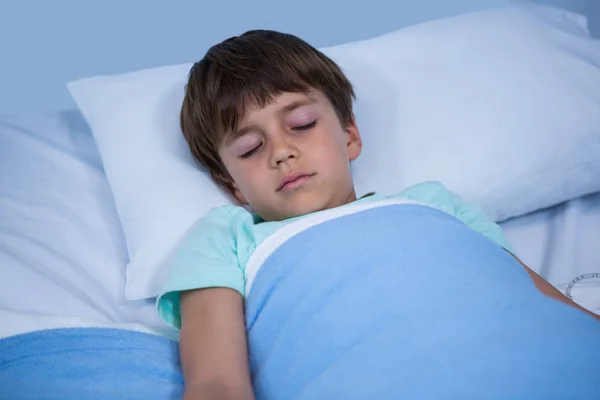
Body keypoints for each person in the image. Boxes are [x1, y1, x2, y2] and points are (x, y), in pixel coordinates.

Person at [156, 30, 599, 399]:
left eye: (303, 123)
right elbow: (217, 381)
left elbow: (545, 301)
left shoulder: (433, 203)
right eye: (250, 148)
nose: (282, 152)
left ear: (350, 134)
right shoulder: (229, 235)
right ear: (233, 185)